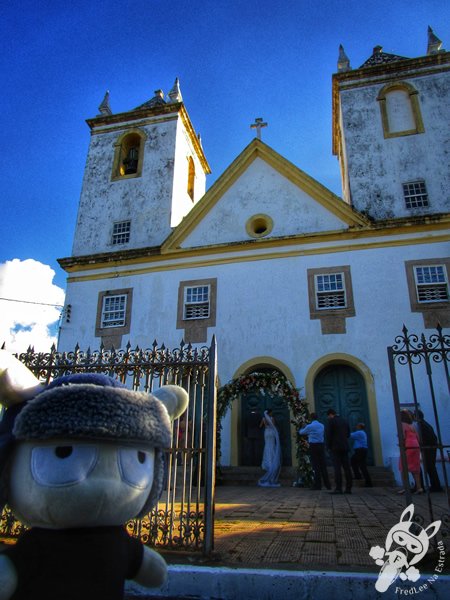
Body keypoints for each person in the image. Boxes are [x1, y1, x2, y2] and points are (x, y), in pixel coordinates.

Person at [299, 412, 331, 490]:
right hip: (321, 445)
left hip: (313, 446)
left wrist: (303, 427)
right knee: (323, 465)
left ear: (311, 418)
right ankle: (328, 485)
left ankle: (318, 485)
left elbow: (301, 432)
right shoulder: (322, 425)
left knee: (316, 466)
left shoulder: (310, 426)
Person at [326, 408, 352, 494]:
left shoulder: (331, 421)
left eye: (328, 416)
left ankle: (338, 488)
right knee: (347, 468)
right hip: (345, 447)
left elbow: (328, 435)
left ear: (330, 414)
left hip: (335, 448)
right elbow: (348, 434)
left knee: (337, 468)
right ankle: (348, 488)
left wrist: (328, 446)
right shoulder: (344, 420)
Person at [415, 410, 442, 492]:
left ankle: (435, 486)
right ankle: (435, 485)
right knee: (430, 467)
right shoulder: (425, 424)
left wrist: (422, 445)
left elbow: (428, 438)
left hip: (429, 449)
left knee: (430, 467)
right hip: (430, 448)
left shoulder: (422, 425)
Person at [398, 410, 423, 495]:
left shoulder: (402, 425)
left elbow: (403, 437)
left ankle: (406, 488)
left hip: (408, 446)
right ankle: (419, 487)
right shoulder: (412, 426)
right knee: (415, 468)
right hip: (416, 446)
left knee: (403, 467)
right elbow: (418, 438)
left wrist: (401, 443)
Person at [258, 409, 281, 487]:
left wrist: (264, 424)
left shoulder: (264, 419)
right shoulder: (272, 418)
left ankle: (267, 464)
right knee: (272, 446)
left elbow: (260, 426)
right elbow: (273, 426)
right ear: (270, 413)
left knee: (267, 446)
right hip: (271, 433)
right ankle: (272, 461)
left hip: (266, 432)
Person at [350, 423, 372, 487]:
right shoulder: (362, 432)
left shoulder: (359, 432)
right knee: (353, 461)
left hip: (360, 451)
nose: (356, 426)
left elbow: (349, 435)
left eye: (357, 425)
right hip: (361, 450)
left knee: (362, 466)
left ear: (360, 427)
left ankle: (368, 482)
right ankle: (358, 475)